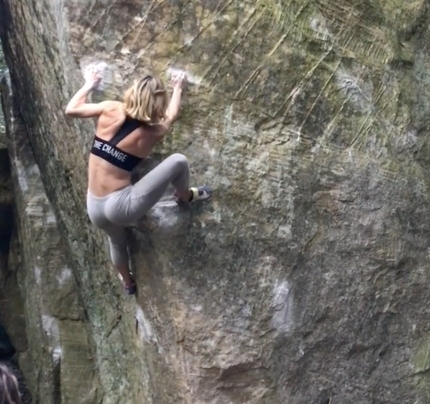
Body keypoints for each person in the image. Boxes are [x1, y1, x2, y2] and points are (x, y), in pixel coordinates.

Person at [65, 68, 212, 295]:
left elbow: (71, 109)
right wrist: (178, 88)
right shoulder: (153, 131)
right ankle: (184, 195)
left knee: (116, 242)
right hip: (121, 206)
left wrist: (89, 84)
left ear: (132, 92)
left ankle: (127, 282)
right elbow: (171, 115)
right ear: (156, 105)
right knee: (179, 161)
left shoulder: (110, 108)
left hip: (94, 206)